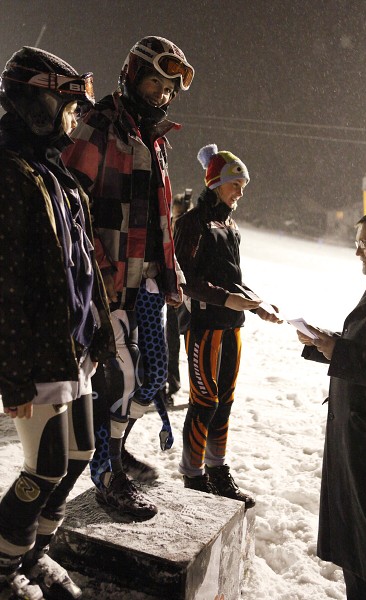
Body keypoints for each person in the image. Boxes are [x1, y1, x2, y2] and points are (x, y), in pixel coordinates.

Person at [0, 46, 115, 600]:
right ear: (37, 103)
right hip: (38, 349)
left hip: (73, 346)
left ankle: (35, 552)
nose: (73, 121)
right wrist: (14, 375)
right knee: (42, 467)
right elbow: (7, 283)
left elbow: (83, 260)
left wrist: (101, 330)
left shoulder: (55, 172)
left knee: (78, 455)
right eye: (67, 108)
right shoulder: (9, 172)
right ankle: (3, 568)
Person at [63, 36, 194, 515]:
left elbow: (159, 217)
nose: (162, 93)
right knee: (119, 378)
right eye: (155, 82)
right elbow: (68, 203)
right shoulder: (101, 125)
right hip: (111, 282)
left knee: (153, 375)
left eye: (169, 88)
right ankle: (107, 471)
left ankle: (114, 445)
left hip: (148, 282)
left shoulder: (155, 139)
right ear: (132, 76)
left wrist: (172, 272)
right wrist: (98, 267)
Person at [297, 206, 366, 600]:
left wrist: (339, 351)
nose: (357, 251)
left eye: (364, 243)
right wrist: (326, 344)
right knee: (358, 553)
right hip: (360, 442)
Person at [174, 144, 282, 509]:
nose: (241, 192)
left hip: (231, 325)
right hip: (204, 326)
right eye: (236, 184)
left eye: (243, 185)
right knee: (204, 402)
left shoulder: (229, 225)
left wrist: (256, 303)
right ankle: (193, 476)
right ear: (216, 183)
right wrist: (225, 299)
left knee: (224, 403)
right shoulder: (192, 223)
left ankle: (217, 471)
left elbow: (233, 279)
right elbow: (184, 279)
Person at [164, 189, 194, 406]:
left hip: (188, 298)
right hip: (173, 297)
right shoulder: (171, 230)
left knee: (188, 347)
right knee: (171, 345)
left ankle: (194, 389)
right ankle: (171, 385)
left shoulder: (190, 233)